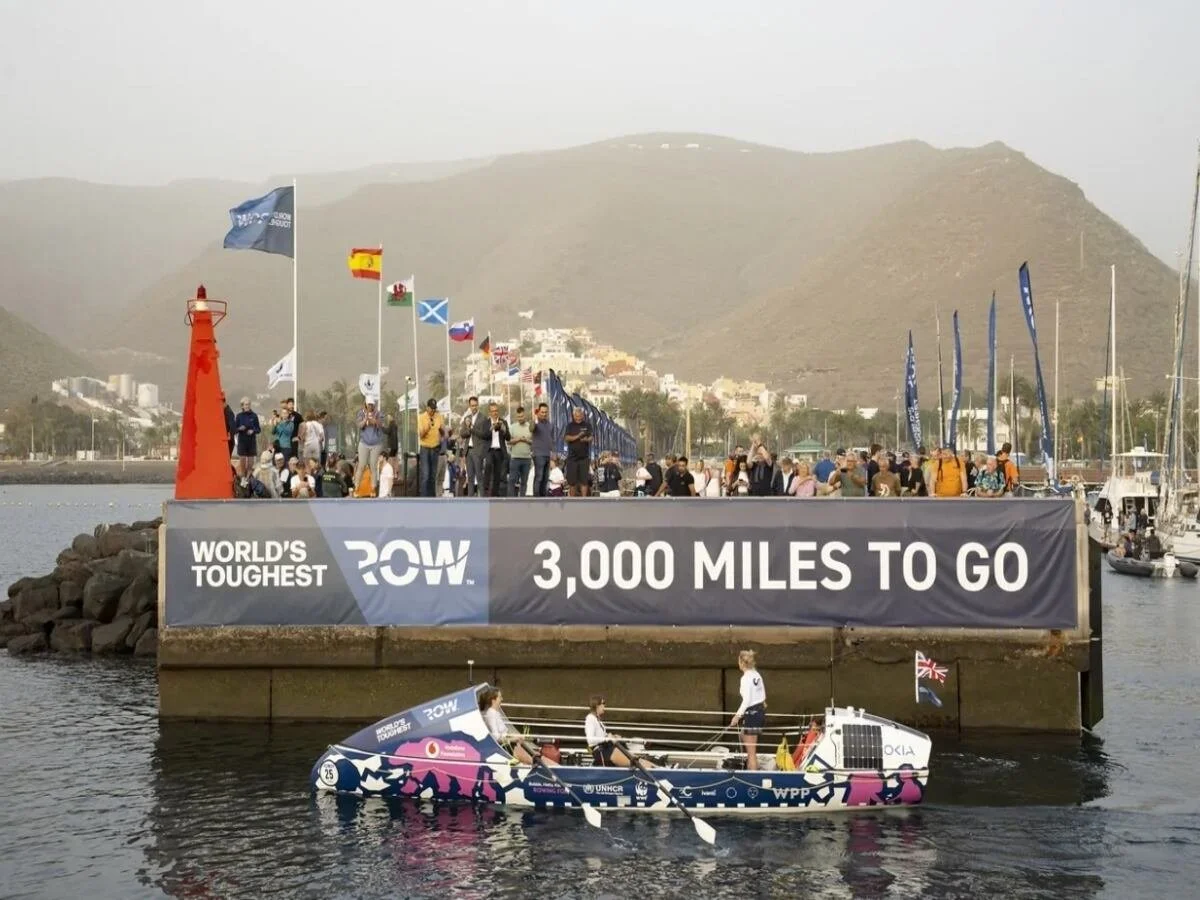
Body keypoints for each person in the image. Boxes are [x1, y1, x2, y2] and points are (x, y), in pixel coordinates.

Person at [584, 695, 654, 771]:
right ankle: (657, 769)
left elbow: (600, 736)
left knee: (637, 760)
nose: (604, 706)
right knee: (637, 762)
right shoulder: (590, 718)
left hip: (607, 748)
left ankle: (657, 768)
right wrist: (607, 738)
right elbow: (590, 740)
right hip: (603, 751)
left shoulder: (597, 719)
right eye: (603, 703)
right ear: (597, 705)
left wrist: (611, 736)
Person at [729, 649, 766, 771]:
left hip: (752, 713)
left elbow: (747, 700)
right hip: (759, 712)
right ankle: (754, 767)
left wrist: (737, 716)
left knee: (751, 752)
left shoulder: (745, 678)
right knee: (744, 736)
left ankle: (753, 775)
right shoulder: (756, 674)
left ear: (741, 663)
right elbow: (762, 694)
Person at [478, 687, 534, 765]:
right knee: (531, 761)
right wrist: (513, 739)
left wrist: (516, 737)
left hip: (508, 744)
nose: (502, 699)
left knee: (532, 757)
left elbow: (504, 732)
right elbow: (497, 738)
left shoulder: (495, 712)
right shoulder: (491, 714)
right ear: (493, 700)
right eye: (500, 697)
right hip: (504, 747)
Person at [417, 398, 445, 498]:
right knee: (426, 475)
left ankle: (432, 499)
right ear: (427, 408)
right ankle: (424, 498)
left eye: (434, 409)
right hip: (425, 448)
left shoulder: (439, 416)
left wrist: (442, 431)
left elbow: (443, 433)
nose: (433, 411)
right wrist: (427, 428)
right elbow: (420, 435)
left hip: (435, 448)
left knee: (433, 475)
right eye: (431, 409)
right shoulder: (422, 417)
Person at [563, 407, 592, 497]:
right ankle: (572, 501)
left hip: (584, 458)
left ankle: (584, 500)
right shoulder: (570, 426)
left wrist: (586, 440)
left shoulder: (587, 425)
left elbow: (591, 437)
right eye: (576, 416)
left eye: (580, 416)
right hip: (572, 458)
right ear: (573, 416)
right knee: (572, 482)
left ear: (582, 416)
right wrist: (578, 436)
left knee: (584, 480)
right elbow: (567, 438)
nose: (578, 418)